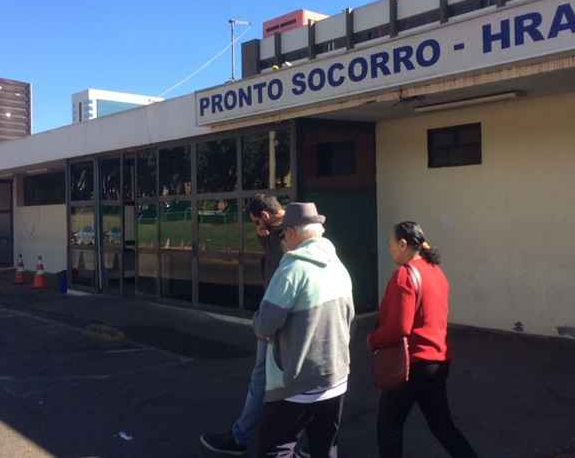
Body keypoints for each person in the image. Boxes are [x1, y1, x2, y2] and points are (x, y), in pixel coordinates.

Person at [368, 221, 477, 458]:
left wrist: (372, 340)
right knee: (443, 427)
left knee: (389, 427)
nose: (390, 249)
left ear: (403, 244)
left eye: (391, 244)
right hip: (437, 361)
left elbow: (399, 328)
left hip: (411, 365)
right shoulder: (436, 271)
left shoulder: (405, 276)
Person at [254, 202, 354, 458]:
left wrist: (258, 321)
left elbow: (264, 326)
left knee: (276, 449)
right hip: (335, 378)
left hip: (297, 383)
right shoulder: (338, 266)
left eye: (284, 233)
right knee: (324, 449)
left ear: (294, 233)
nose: (283, 240)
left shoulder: (291, 269)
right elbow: (349, 316)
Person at [201, 194, 286, 455]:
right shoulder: (282, 233)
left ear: (266, 216)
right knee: (287, 381)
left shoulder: (282, 239)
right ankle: (312, 443)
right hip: (283, 316)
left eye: (255, 222)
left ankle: (240, 437)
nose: (255, 228)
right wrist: (263, 234)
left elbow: (277, 277)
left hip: (276, 316)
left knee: (262, 378)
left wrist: (264, 323)